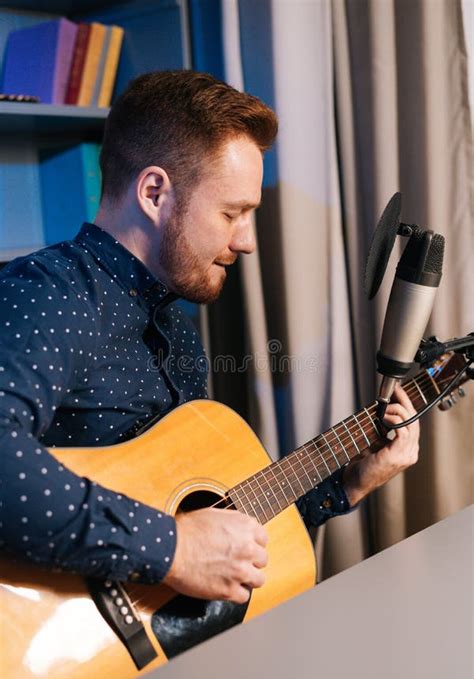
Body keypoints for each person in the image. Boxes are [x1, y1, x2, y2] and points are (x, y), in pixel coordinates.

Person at [0, 70, 419, 605]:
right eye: (232, 213)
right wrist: (172, 547)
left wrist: (349, 483)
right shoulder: (50, 294)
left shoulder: (174, 321)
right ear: (155, 193)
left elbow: (214, 527)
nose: (246, 241)